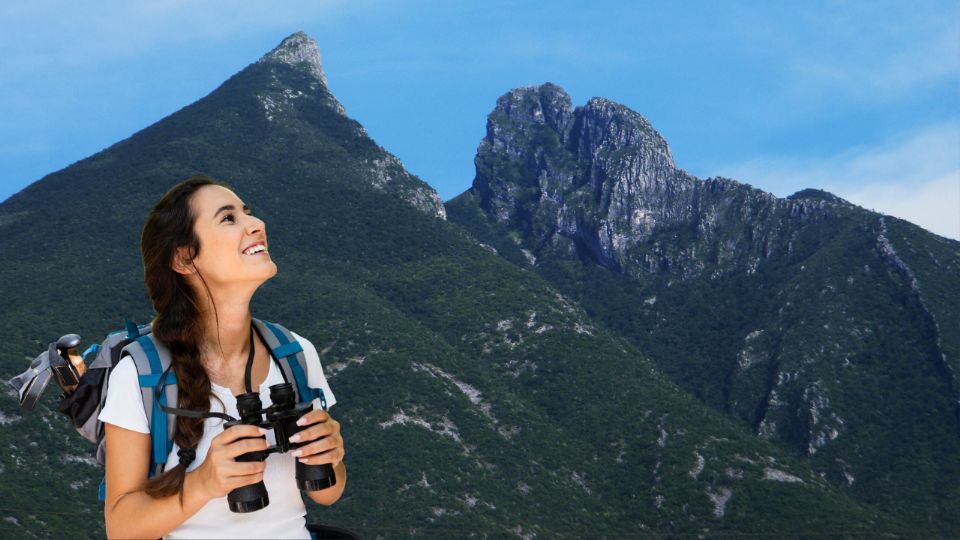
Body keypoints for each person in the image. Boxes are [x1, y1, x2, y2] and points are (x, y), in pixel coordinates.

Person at [98, 175, 346, 539]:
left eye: (249, 213)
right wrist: (203, 483)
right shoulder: (142, 374)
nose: (257, 224)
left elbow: (328, 493)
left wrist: (331, 456)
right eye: (229, 218)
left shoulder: (295, 353)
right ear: (184, 258)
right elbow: (121, 527)